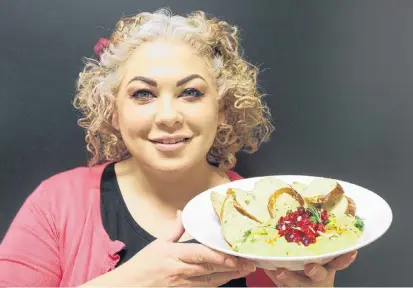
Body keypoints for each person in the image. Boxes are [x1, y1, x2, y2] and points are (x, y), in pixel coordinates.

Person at [0, 9, 357, 287]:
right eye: (143, 94)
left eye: (191, 92)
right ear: (114, 110)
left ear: (221, 108)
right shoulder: (57, 203)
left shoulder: (268, 210)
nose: (168, 116)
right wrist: (131, 283)